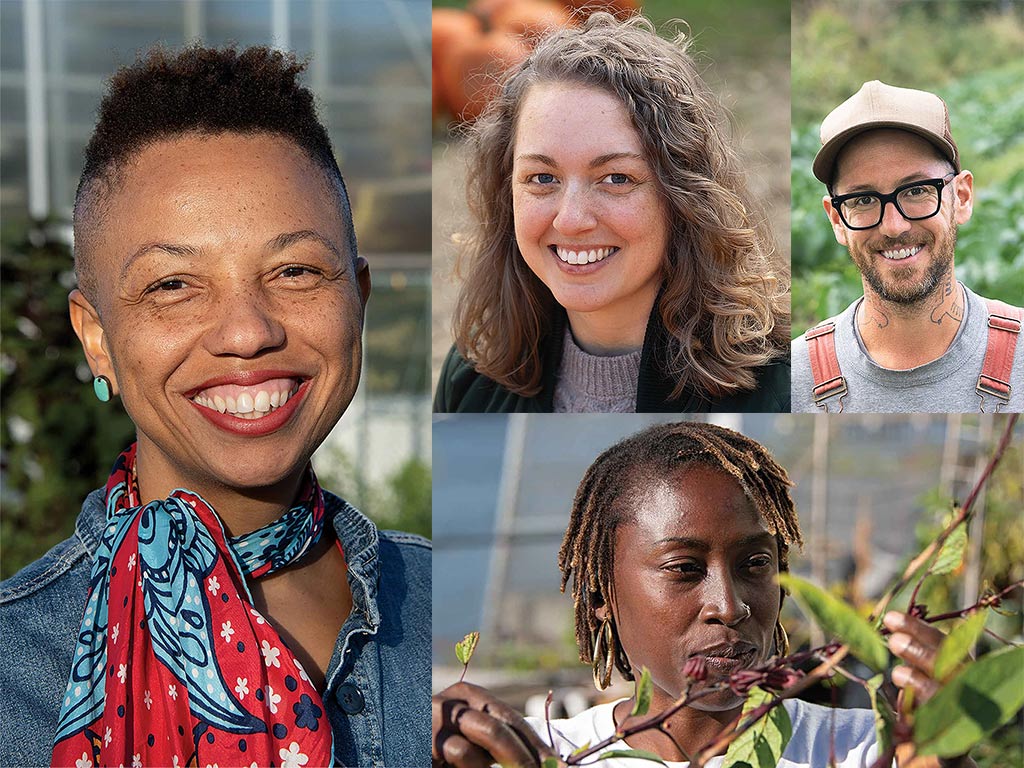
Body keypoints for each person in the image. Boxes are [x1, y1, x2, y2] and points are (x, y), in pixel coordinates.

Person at [0, 46, 430, 768]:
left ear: (357, 296)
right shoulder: (13, 671)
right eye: (172, 285)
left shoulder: (441, 615)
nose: (247, 332)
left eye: (295, 270)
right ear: (96, 339)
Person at [432, 422, 976, 767]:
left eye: (755, 564)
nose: (730, 605)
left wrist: (948, 749)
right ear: (603, 593)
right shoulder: (534, 755)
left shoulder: (862, 751)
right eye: (684, 568)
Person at [433, 13, 790, 413]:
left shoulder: (779, 391)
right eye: (542, 178)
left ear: (685, 193)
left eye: (616, 179)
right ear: (507, 190)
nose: (570, 219)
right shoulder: (470, 380)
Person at [792, 80, 1023, 413]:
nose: (893, 226)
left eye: (916, 191)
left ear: (962, 196)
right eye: (864, 199)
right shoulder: (796, 377)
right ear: (837, 220)